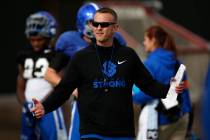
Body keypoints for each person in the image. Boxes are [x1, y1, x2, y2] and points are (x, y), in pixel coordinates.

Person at [31, 8, 184, 140]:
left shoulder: (128, 55)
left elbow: (148, 84)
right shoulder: (81, 57)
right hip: (92, 133)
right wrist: (45, 107)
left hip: (123, 132)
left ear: (115, 28)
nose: (98, 28)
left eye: (104, 25)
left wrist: (168, 90)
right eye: (95, 24)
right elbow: (63, 89)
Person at [44, 2, 127, 140]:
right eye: (93, 23)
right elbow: (49, 73)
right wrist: (70, 88)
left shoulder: (116, 40)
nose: (99, 27)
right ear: (82, 23)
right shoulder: (70, 41)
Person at [132, 25, 192, 140]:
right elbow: (184, 91)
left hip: (159, 122)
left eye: (145, 39)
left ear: (153, 40)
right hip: (181, 118)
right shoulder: (176, 62)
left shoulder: (148, 65)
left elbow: (139, 97)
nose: (144, 43)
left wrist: (133, 94)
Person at [16, 11, 67, 140]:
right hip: (29, 109)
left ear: (49, 36)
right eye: (32, 39)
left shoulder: (56, 55)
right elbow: (20, 86)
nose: (36, 43)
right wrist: (25, 104)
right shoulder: (24, 55)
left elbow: (60, 85)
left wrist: (45, 104)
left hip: (50, 109)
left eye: (39, 39)